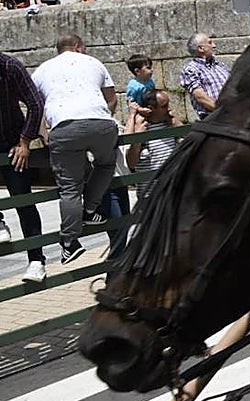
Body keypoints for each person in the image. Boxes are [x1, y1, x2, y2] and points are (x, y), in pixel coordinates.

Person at [31, 35, 118, 265]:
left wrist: (43, 132)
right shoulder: (93, 62)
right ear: (79, 46)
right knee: (106, 164)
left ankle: (69, 243)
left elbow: (34, 105)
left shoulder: (42, 69)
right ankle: (90, 210)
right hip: (101, 123)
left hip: (64, 127)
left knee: (69, 188)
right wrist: (101, 119)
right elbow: (111, 99)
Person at [0, 51, 49, 283]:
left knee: (23, 201)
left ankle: (37, 260)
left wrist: (25, 141)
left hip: (12, 144)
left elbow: (35, 102)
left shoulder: (11, 67)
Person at [123, 88, 181, 199]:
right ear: (151, 109)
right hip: (149, 197)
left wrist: (176, 123)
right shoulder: (140, 127)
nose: (169, 109)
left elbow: (190, 141)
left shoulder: (170, 124)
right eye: (164, 106)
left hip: (172, 192)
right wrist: (138, 138)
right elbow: (131, 163)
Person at [179, 32, 231, 120]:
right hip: (214, 118)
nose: (214, 46)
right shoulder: (191, 69)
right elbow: (200, 97)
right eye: (210, 43)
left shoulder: (220, 66)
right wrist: (224, 111)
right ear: (201, 48)